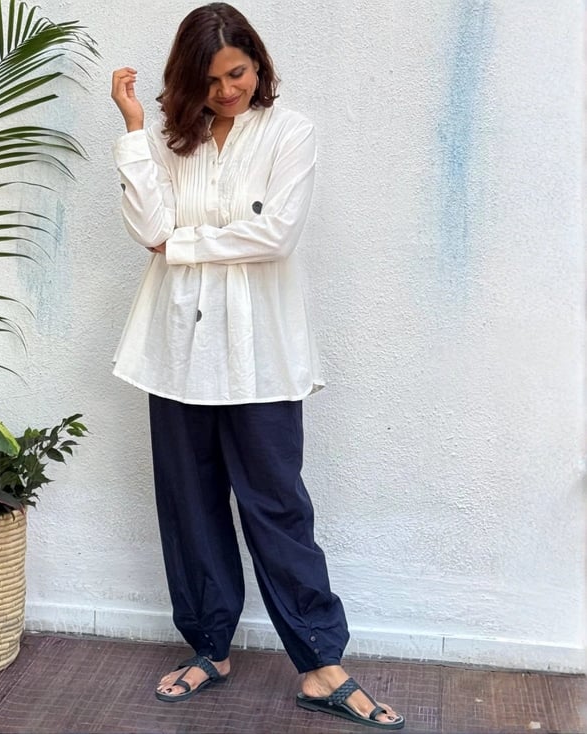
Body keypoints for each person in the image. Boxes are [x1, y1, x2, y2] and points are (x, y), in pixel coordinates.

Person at [110, 3, 404, 729]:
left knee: (276, 506)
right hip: (175, 350)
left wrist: (183, 246)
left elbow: (275, 235)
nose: (226, 91)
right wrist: (134, 130)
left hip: (259, 355)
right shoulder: (172, 142)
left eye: (237, 73)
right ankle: (210, 647)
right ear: (189, 81)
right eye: (210, 81)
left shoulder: (290, 133)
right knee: (190, 504)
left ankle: (321, 664)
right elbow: (147, 226)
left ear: (258, 64)